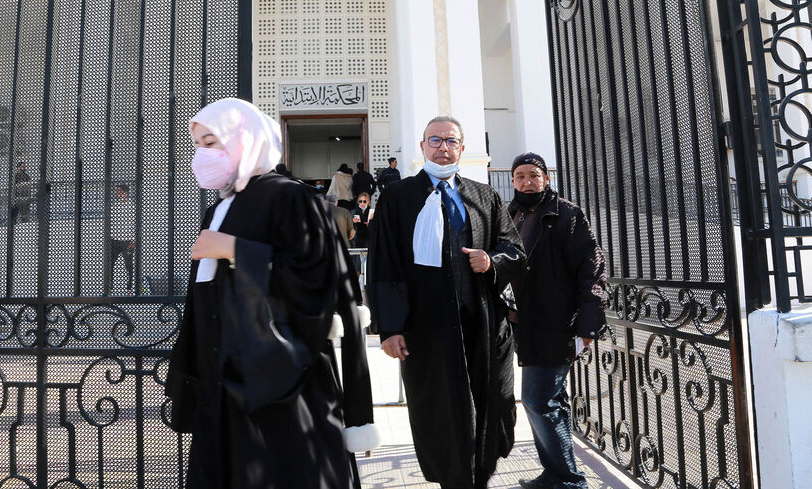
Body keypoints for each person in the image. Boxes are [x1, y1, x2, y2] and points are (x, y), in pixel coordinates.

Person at [165, 98, 378, 489]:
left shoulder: (290, 197)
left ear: (244, 141)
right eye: (198, 145)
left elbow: (315, 278)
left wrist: (233, 250)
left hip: (283, 383)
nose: (202, 154)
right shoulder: (222, 207)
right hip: (227, 380)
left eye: (211, 142)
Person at [367, 115, 524, 489]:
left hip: (482, 324)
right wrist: (389, 328)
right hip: (426, 328)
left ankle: (480, 475)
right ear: (422, 147)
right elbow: (383, 264)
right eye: (434, 140)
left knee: (490, 400)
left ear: (462, 148)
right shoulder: (398, 197)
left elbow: (514, 249)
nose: (442, 147)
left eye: (451, 141)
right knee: (438, 406)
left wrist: (491, 261)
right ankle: (452, 480)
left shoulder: (484, 195)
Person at [506, 152, 607, 489]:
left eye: (533, 175)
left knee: (538, 401)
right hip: (525, 323)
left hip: (557, 322)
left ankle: (569, 481)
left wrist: (588, 321)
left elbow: (590, 268)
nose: (526, 181)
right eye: (520, 176)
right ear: (513, 180)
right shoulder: (511, 215)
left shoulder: (566, 213)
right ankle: (554, 475)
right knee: (553, 403)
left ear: (546, 178)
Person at [108, 184, 135, 294]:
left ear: (126, 193)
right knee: (110, 264)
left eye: (119, 191)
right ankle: (109, 288)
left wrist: (134, 240)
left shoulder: (132, 207)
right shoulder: (114, 206)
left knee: (128, 265)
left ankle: (129, 288)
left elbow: (135, 224)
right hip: (114, 240)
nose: (117, 194)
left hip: (128, 241)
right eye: (116, 192)